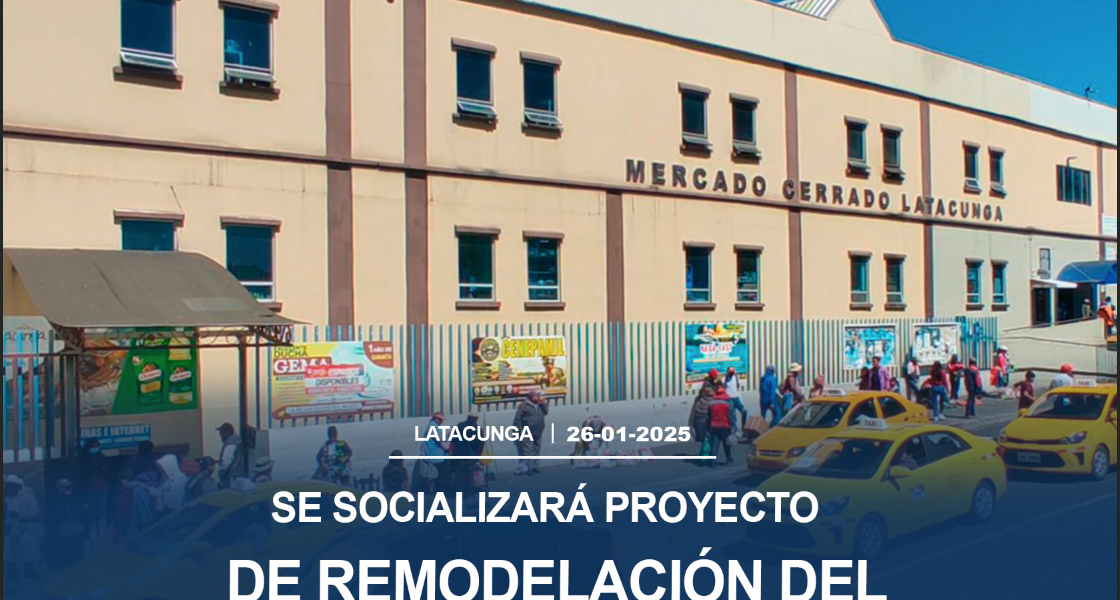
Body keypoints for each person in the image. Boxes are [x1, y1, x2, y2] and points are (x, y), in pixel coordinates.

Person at [5, 475, 47, 583]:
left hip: (26, 528)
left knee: (31, 547)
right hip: (8, 529)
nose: (9, 488)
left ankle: (38, 573)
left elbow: (35, 512)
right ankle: (7, 576)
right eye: (8, 485)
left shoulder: (27, 496)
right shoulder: (4, 498)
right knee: (7, 550)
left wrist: (19, 514)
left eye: (12, 485)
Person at [46, 479, 86, 570]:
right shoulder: (53, 500)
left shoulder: (74, 497)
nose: (69, 489)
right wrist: (57, 528)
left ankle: (78, 561)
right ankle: (64, 565)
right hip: (61, 526)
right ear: (59, 489)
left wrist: (83, 509)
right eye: (65, 487)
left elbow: (79, 509)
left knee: (79, 537)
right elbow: (49, 518)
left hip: (75, 524)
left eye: (70, 486)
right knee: (62, 542)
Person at [78, 437, 110, 542]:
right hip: (90, 489)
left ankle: (102, 534)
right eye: (93, 446)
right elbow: (84, 473)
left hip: (103, 487)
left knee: (102, 512)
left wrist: (99, 470)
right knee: (92, 513)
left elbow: (106, 469)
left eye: (97, 446)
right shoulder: (84, 459)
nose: (96, 448)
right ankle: (93, 535)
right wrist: (96, 470)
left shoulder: (101, 457)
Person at [513, 392, 549, 476]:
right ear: (531, 397)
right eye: (536, 395)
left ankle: (535, 466)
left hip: (538, 430)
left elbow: (546, 412)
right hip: (526, 431)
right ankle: (528, 467)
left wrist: (543, 403)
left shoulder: (539, 405)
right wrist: (520, 430)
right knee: (528, 450)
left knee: (537, 449)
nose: (538, 397)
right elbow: (517, 419)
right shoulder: (523, 406)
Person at [413, 413, 447, 492]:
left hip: (433, 452)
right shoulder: (433, 427)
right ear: (436, 419)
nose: (442, 422)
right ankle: (434, 488)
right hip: (434, 454)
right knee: (436, 473)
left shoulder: (433, 426)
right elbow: (441, 440)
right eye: (441, 420)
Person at [451, 412, 485, 491]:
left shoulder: (459, 426)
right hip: (471, 456)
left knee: (459, 476)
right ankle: (469, 492)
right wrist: (478, 455)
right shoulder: (478, 429)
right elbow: (480, 444)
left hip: (459, 455)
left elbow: (453, 439)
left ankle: (459, 492)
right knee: (470, 475)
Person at [706, 393, 735, 466]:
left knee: (715, 444)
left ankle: (713, 460)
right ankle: (729, 457)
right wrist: (732, 426)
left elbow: (708, 417)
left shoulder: (711, 405)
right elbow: (730, 417)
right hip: (724, 426)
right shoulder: (727, 405)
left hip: (714, 426)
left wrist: (708, 428)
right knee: (726, 443)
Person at [689, 387, 716, 457]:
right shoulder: (712, 402)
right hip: (708, 421)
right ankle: (706, 454)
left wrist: (691, 423)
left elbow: (694, 413)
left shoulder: (699, 401)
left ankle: (704, 454)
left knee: (703, 438)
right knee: (709, 438)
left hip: (699, 421)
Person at [216, 423, 243, 488]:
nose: (220, 434)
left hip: (231, 478)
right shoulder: (237, 441)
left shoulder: (230, 443)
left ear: (228, 432)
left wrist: (220, 473)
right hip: (237, 476)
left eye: (221, 432)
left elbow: (227, 462)